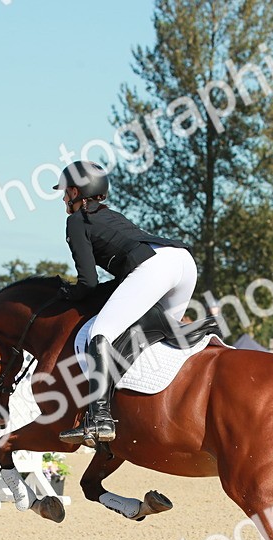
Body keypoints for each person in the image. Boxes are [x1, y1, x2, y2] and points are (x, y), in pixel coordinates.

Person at [53, 161, 197, 447]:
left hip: (156, 268)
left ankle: (100, 418)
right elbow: (123, 283)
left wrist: (66, 295)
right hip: (183, 263)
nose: (64, 198)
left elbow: (88, 283)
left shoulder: (77, 220)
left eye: (65, 192)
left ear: (76, 192)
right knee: (149, 339)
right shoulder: (110, 215)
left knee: (100, 333)